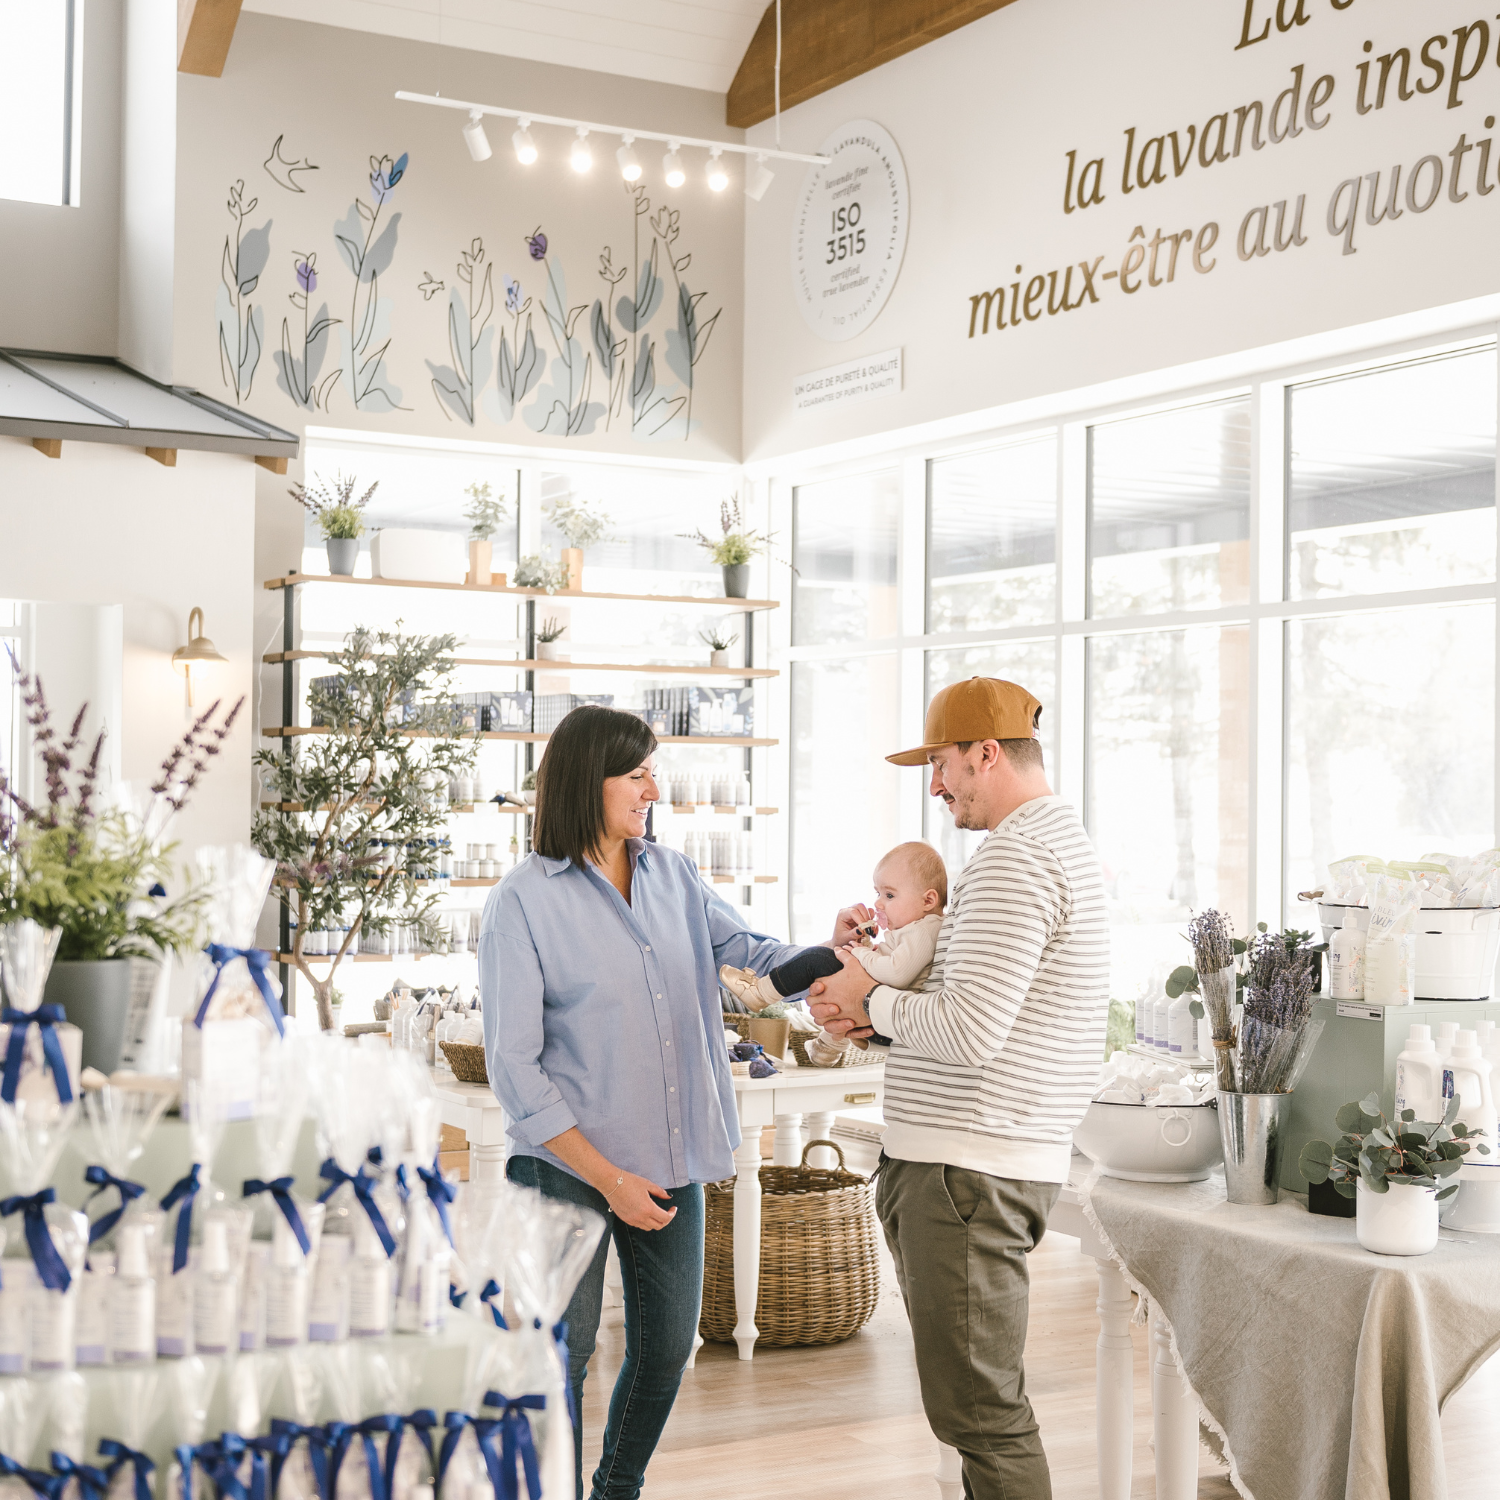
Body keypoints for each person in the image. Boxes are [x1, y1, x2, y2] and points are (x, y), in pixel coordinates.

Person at [478, 705, 864, 1500]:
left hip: (668, 1154)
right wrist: (608, 1177)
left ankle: (615, 1488)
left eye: (654, 771)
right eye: (638, 773)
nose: (654, 788)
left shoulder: (673, 874)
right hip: (566, 1165)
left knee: (665, 1348)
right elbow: (513, 1066)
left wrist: (833, 949)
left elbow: (752, 960)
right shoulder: (522, 901)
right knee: (563, 1351)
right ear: (592, 781)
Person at [809, 677, 1110, 1500]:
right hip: (975, 1165)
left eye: (942, 766)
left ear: (986, 754)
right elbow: (974, 1015)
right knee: (976, 1412)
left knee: (981, 1416)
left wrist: (871, 1001)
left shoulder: (1015, 859)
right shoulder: (1056, 845)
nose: (935, 787)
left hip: (965, 1174)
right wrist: (880, 1021)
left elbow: (972, 1031)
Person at [718, 840, 947, 1062]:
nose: (878, 904)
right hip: (883, 1020)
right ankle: (828, 1047)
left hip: (888, 1023)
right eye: (877, 893)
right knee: (837, 991)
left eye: (889, 895)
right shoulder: (911, 930)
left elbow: (897, 974)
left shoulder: (923, 931)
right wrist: (864, 947)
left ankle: (761, 992)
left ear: (928, 900)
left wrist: (859, 953)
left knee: (818, 959)